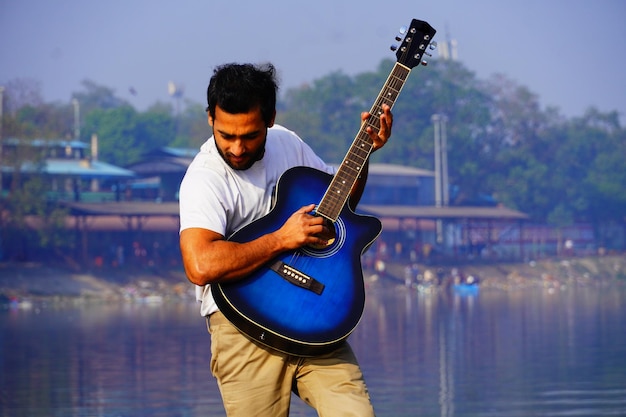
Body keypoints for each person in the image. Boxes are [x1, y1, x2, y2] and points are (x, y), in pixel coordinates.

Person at [179, 62, 393, 417]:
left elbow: (339, 205)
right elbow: (201, 265)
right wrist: (281, 239)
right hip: (244, 331)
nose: (236, 148)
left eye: (249, 135)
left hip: (316, 320)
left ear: (270, 119)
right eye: (225, 135)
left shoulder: (287, 143)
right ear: (210, 120)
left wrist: (366, 151)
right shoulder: (204, 179)